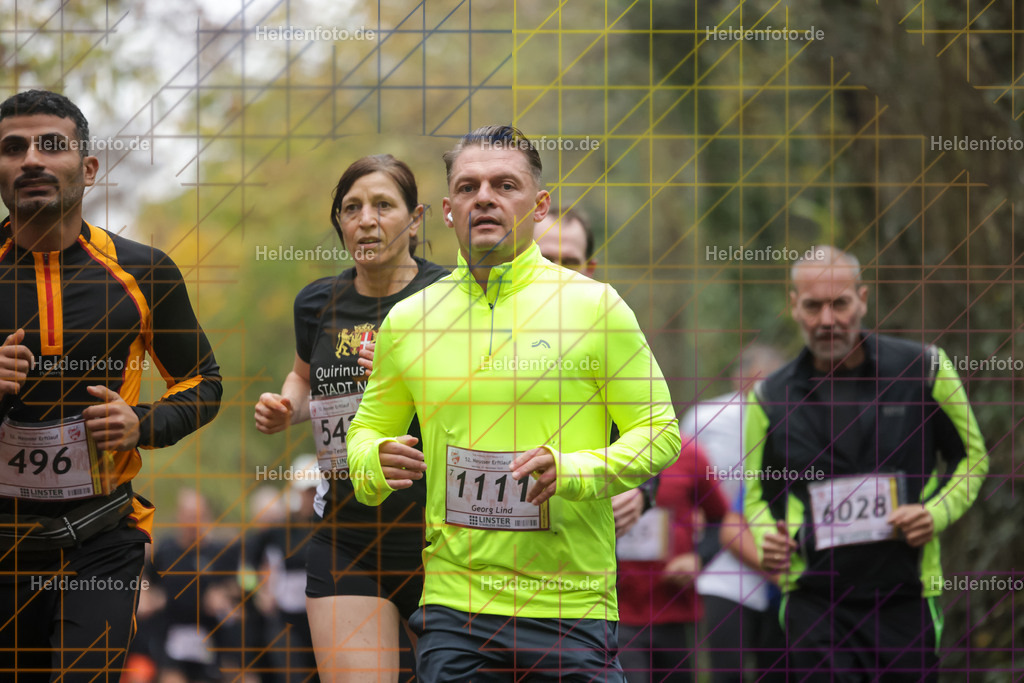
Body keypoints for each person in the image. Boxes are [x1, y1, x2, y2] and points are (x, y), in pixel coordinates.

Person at [347, 125, 681, 681]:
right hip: (456, 609)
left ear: (539, 206)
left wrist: (572, 471)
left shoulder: (595, 307)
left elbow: (660, 432)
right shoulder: (407, 321)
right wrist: (373, 461)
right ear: (448, 210)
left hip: (570, 605)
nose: (484, 198)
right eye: (468, 187)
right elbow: (363, 435)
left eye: (505, 185)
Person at [0, 89, 222, 681]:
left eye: (52, 145)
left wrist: (141, 423)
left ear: (89, 168)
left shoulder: (145, 271)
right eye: (14, 148)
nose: (31, 160)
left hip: (100, 541)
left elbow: (204, 382)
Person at [743, 246, 989, 681]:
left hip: (904, 595)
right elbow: (758, 496)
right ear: (794, 306)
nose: (827, 320)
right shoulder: (769, 397)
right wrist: (768, 537)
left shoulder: (924, 369)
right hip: (814, 602)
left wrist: (934, 513)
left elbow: (971, 457)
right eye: (813, 306)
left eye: (839, 303)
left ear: (862, 299)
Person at [254, 154, 448, 682]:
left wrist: (408, 369)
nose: (366, 219)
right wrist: (286, 406)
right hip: (347, 537)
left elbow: (489, 398)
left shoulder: (452, 296)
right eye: (352, 208)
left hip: (442, 541)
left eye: (383, 205)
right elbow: (303, 379)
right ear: (339, 222)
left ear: (415, 219)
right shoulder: (317, 302)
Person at [533, 207, 655, 536]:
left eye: (569, 262)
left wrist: (642, 492)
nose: (557, 272)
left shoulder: (611, 329)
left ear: (589, 269)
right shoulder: (482, 325)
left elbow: (651, 429)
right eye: (546, 259)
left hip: (583, 541)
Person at [685, 345, 786, 682]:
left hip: (776, 558)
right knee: (727, 670)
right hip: (720, 559)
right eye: (755, 376)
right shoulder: (706, 418)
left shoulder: (790, 420)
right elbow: (680, 475)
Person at [615, 439, 729, 683]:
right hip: (613, 611)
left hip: (674, 608)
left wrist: (698, 558)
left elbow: (719, 518)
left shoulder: (689, 453)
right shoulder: (592, 451)